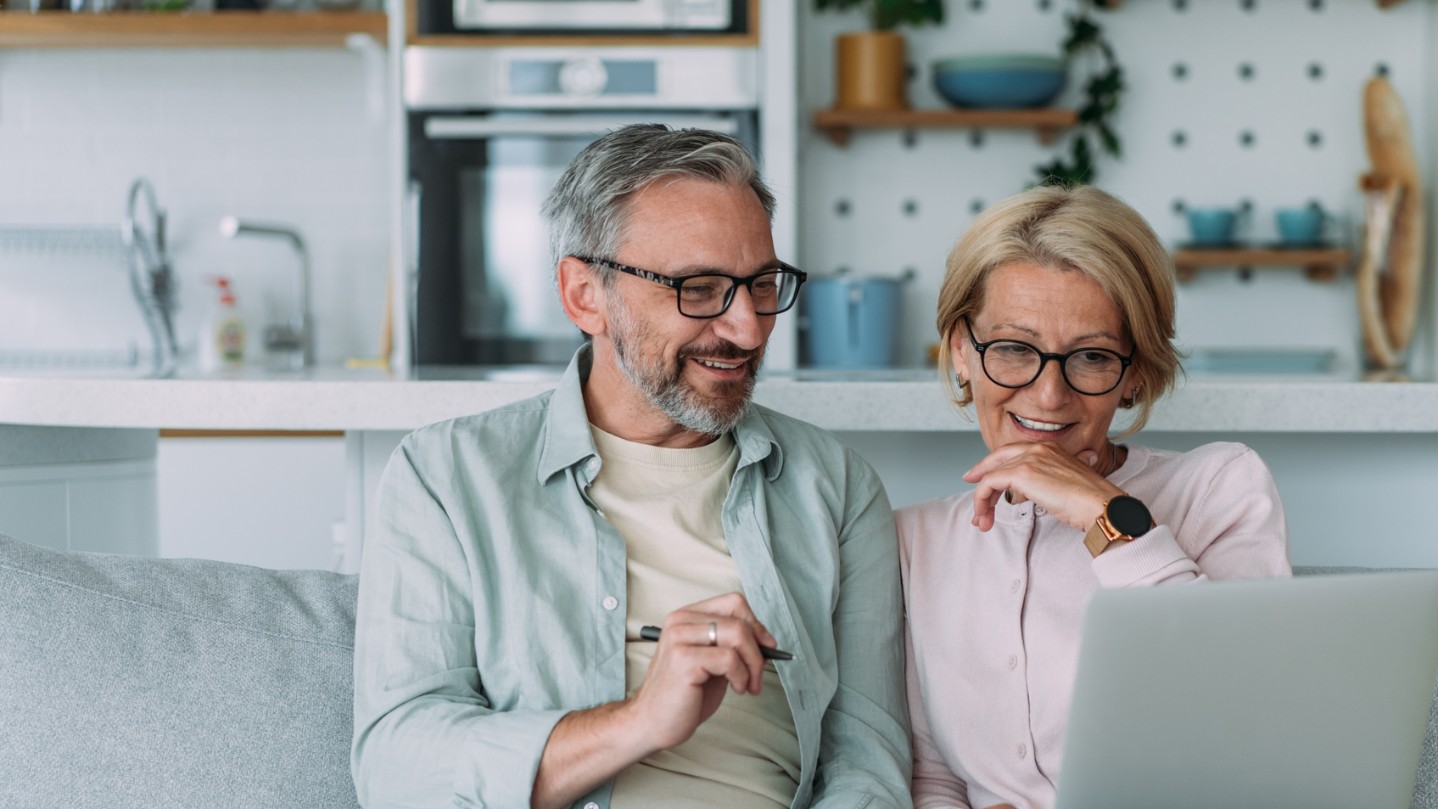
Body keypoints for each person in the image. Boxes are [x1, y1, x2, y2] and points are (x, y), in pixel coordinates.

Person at [351, 124, 912, 809]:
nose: (749, 328)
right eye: (700, 289)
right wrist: (640, 721)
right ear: (586, 295)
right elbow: (397, 765)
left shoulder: (838, 488)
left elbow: (869, 767)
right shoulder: (445, 477)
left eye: (762, 284)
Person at [897, 185, 1291, 809]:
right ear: (961, 353)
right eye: (1014, 349)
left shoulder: (1218, 487)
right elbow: (934, 776)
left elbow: (1247, 719)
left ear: (1135, 373)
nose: (1049, 396)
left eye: (1092, 357)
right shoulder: (913, 542)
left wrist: (1104, 514)